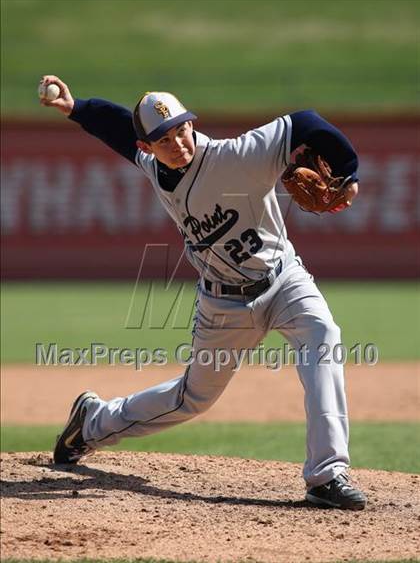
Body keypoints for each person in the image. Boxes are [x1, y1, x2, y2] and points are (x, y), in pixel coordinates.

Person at [40, 74, 366, 510]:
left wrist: (348, 171)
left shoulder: (238, 156)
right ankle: (93, 422)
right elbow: (120, 129)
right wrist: (76, 107)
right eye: (164, 138)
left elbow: (305, 122)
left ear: (192, 125)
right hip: (224, 302)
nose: (177, 143)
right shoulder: (153, 165)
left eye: (181, 129)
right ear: (148, 148)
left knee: (323, 338)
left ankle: (327, 475)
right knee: (192, 399)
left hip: (285, 279)